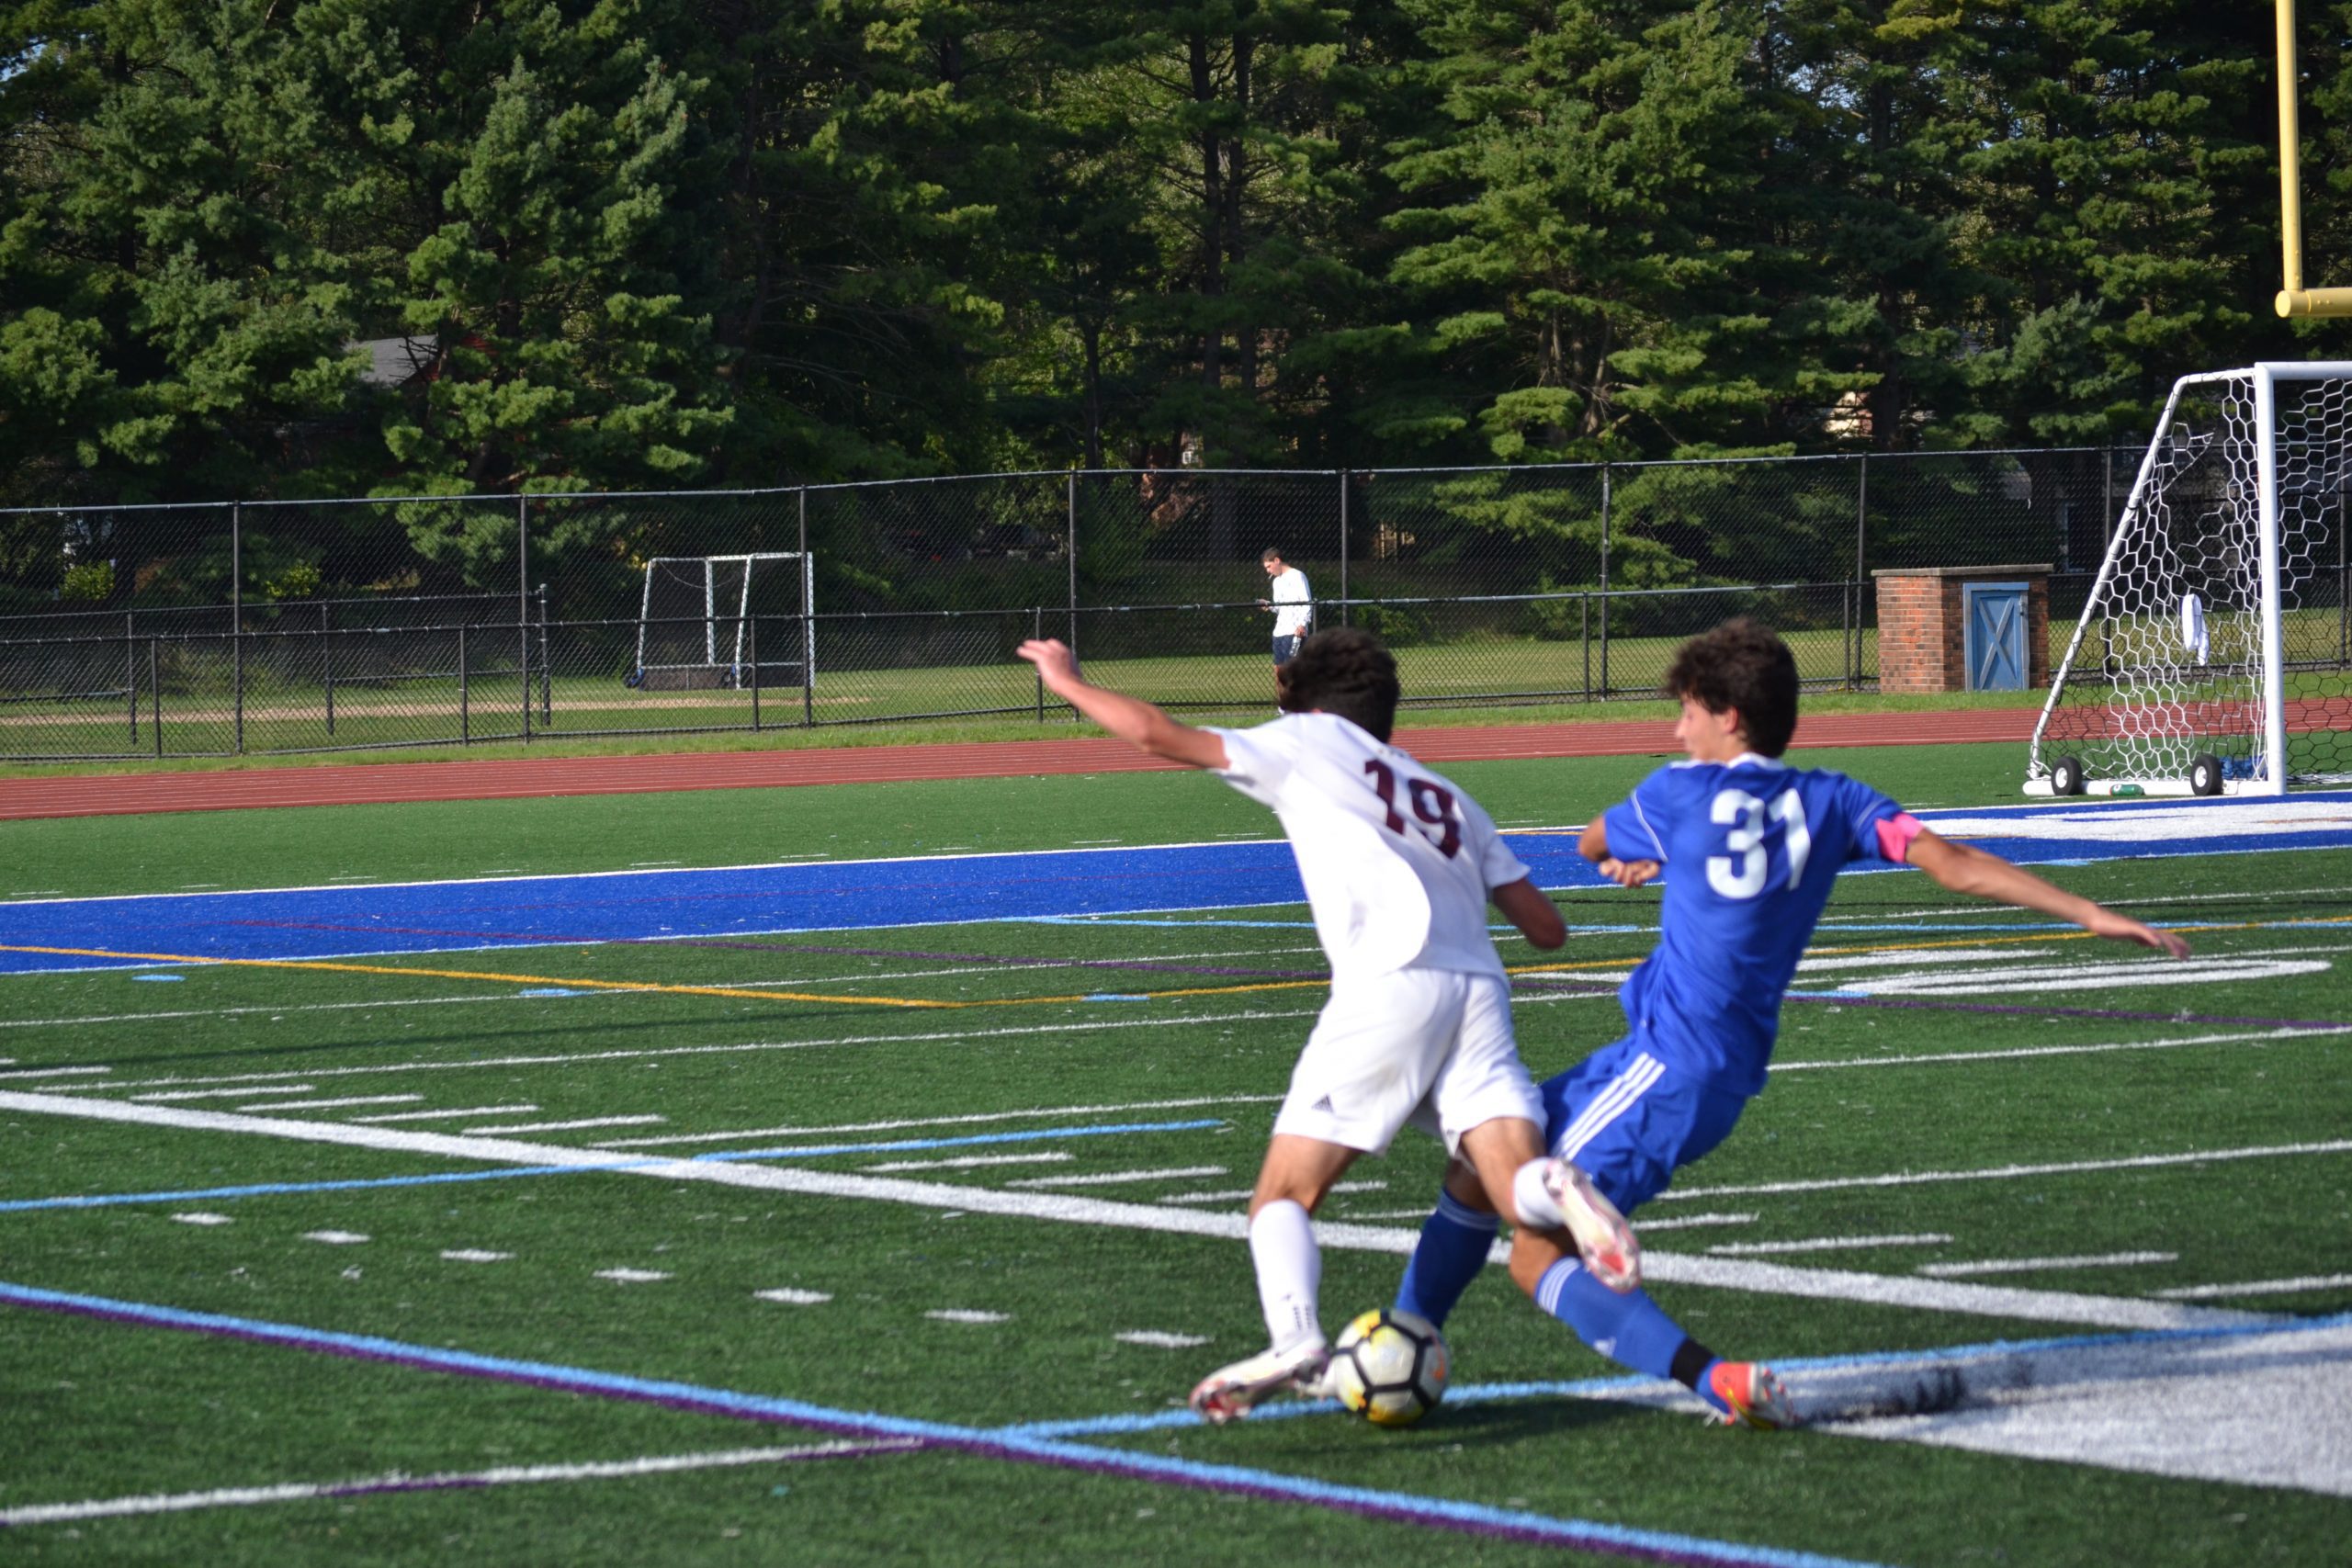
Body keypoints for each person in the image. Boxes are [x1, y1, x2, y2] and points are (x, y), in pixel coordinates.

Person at [1385, 617, 2191, 1428]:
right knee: (1477, 1164)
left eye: (1688, 711)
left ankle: (1712, 1376)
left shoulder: (1677, 792)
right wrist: (2088, 911)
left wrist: (1651, 851)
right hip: (1700, 1068)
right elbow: (1956, 866)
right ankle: (1408, 1328)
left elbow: (1593, 839)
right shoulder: (1835, 801)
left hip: (1667, 1066)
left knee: (1533, 1249)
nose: (1677, 729)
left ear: (1728, 716)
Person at [1016, 626, 1640, 1425]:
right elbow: (1546, 929)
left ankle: (1297, 1339)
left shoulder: (1302, 741)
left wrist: (1067, 679)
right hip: (1478, 992)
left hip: (1391, 984)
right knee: (1514, 1192)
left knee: (1284, 1191)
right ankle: (1555, 1183)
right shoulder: (1446, 792)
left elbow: (1151, 733)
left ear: (1294, 692)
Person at [1259, 547, 1312, 667]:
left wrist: (1302, 624)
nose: (1268, 571)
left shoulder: (1297, 576)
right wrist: (1269, 605)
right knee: (1279, 670)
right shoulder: (1276, 582)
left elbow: (1307, 602)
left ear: (1277, 560)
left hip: (1295, 631)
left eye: (1269, 566)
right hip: (1279, 631)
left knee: (1292, 670)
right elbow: (1279, 607)